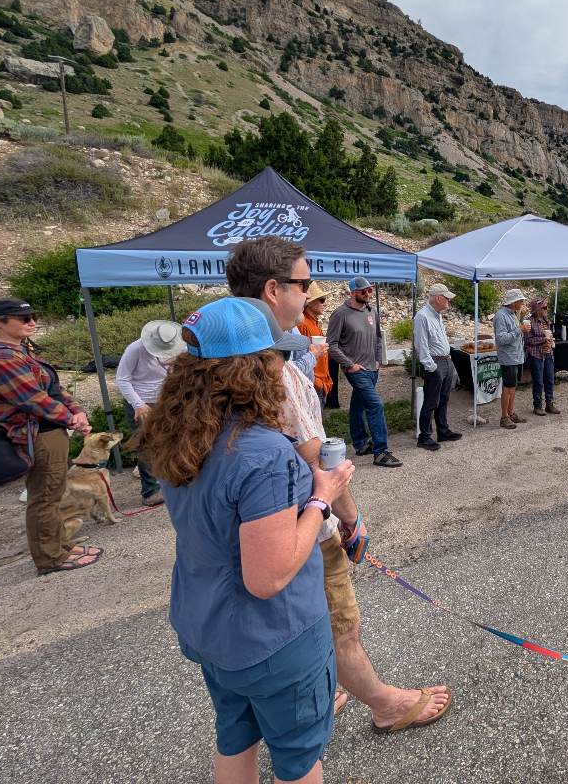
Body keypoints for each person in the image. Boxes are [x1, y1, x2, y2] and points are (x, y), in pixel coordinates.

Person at [229, 237, 448, 732]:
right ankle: (385, 704)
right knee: (341, 623)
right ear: (272, 290)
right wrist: (349, 518)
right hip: (299, 527)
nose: (309, 293)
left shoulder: (210, 366)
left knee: (293, 631)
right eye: (304, 284)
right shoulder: (276, 373)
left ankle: (319, 692)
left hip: (246, 536)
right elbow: (319, 461)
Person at [141, 297, 354, 784]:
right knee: (299, 760)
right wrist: (322, 498)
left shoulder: (176, 432)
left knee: (235, 738)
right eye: (277, 355)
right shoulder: (262, 452)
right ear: (260, 366)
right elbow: (269, 576)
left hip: (210, 626)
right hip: (273, 638)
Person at [0, 297, 96, 574]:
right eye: (23, 318)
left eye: (33, 318)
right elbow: (31, 399)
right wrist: (72, 420)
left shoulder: (18, 350)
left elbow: (54, 387)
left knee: (53, 493)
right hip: (38, 433)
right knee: (44, 497)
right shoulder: (1, 358)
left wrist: (77, 411)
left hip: (50, 429)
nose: (31, 322)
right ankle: (49, 558)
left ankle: (60, 545)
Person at [326, 276, 400, 467]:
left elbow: (377, 338)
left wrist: (377, 360)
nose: (368, 294)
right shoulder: (340, 314)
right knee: (376, 406)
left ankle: (360, 444)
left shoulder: (372, 311)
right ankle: (381, 452)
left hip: (371, 368)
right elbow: (331, 345)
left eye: (370, 290)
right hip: (356, 370)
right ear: (353, 293)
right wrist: (349, 365)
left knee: (358, 405)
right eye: (364, 291)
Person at [116, 320, 186, 506]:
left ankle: (174, 482)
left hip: (166, 399)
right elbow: (122, 379)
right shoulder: (135, 349)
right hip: (141, 402)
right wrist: (138, 404)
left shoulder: (180, 346)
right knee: (146, 445)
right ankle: (150, 491)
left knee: (172, 440)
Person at [413, 283, 463, 450]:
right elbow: (421, 345)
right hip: (435, 363)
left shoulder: (436, 315)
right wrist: (431, 367)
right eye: (447, 298)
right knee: (431, 401)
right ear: (438, 298)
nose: (449, 301)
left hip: (445, 361)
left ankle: (442, 431)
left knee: (443, 399)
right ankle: (424, 437)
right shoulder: (423, 317)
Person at [494, 289, 528, 429]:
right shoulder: (501, 316)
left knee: (513, 386)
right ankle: (504, 417)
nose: (523, 303)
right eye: (521, 301)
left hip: (516, 356)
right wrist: (520, 329)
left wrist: (520, 321)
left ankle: (511, 412)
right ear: (513, 302)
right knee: (508, 387)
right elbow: (501, 338)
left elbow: (514, 330)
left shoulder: (512, 314)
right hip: (508, 357)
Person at [297, 282, 333, 412]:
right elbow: (298, 356)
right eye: (322, 300)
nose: (325, 304)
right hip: (314, 384)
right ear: (310, 303)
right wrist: (318, 383)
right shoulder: (303, 325)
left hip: (319, 383)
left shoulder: (313, 323)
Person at [522, 296, 559, 416]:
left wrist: (549, 339)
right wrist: (543, 339)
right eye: (545, 307)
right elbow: (528, 340)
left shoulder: (545, 320)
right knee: (538, 381)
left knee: (549, 379)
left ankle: (549, 403)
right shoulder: (529, 322)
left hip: (548, 353)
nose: (547, 310)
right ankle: (537, 405)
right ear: (538, 309)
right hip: (535, 354)